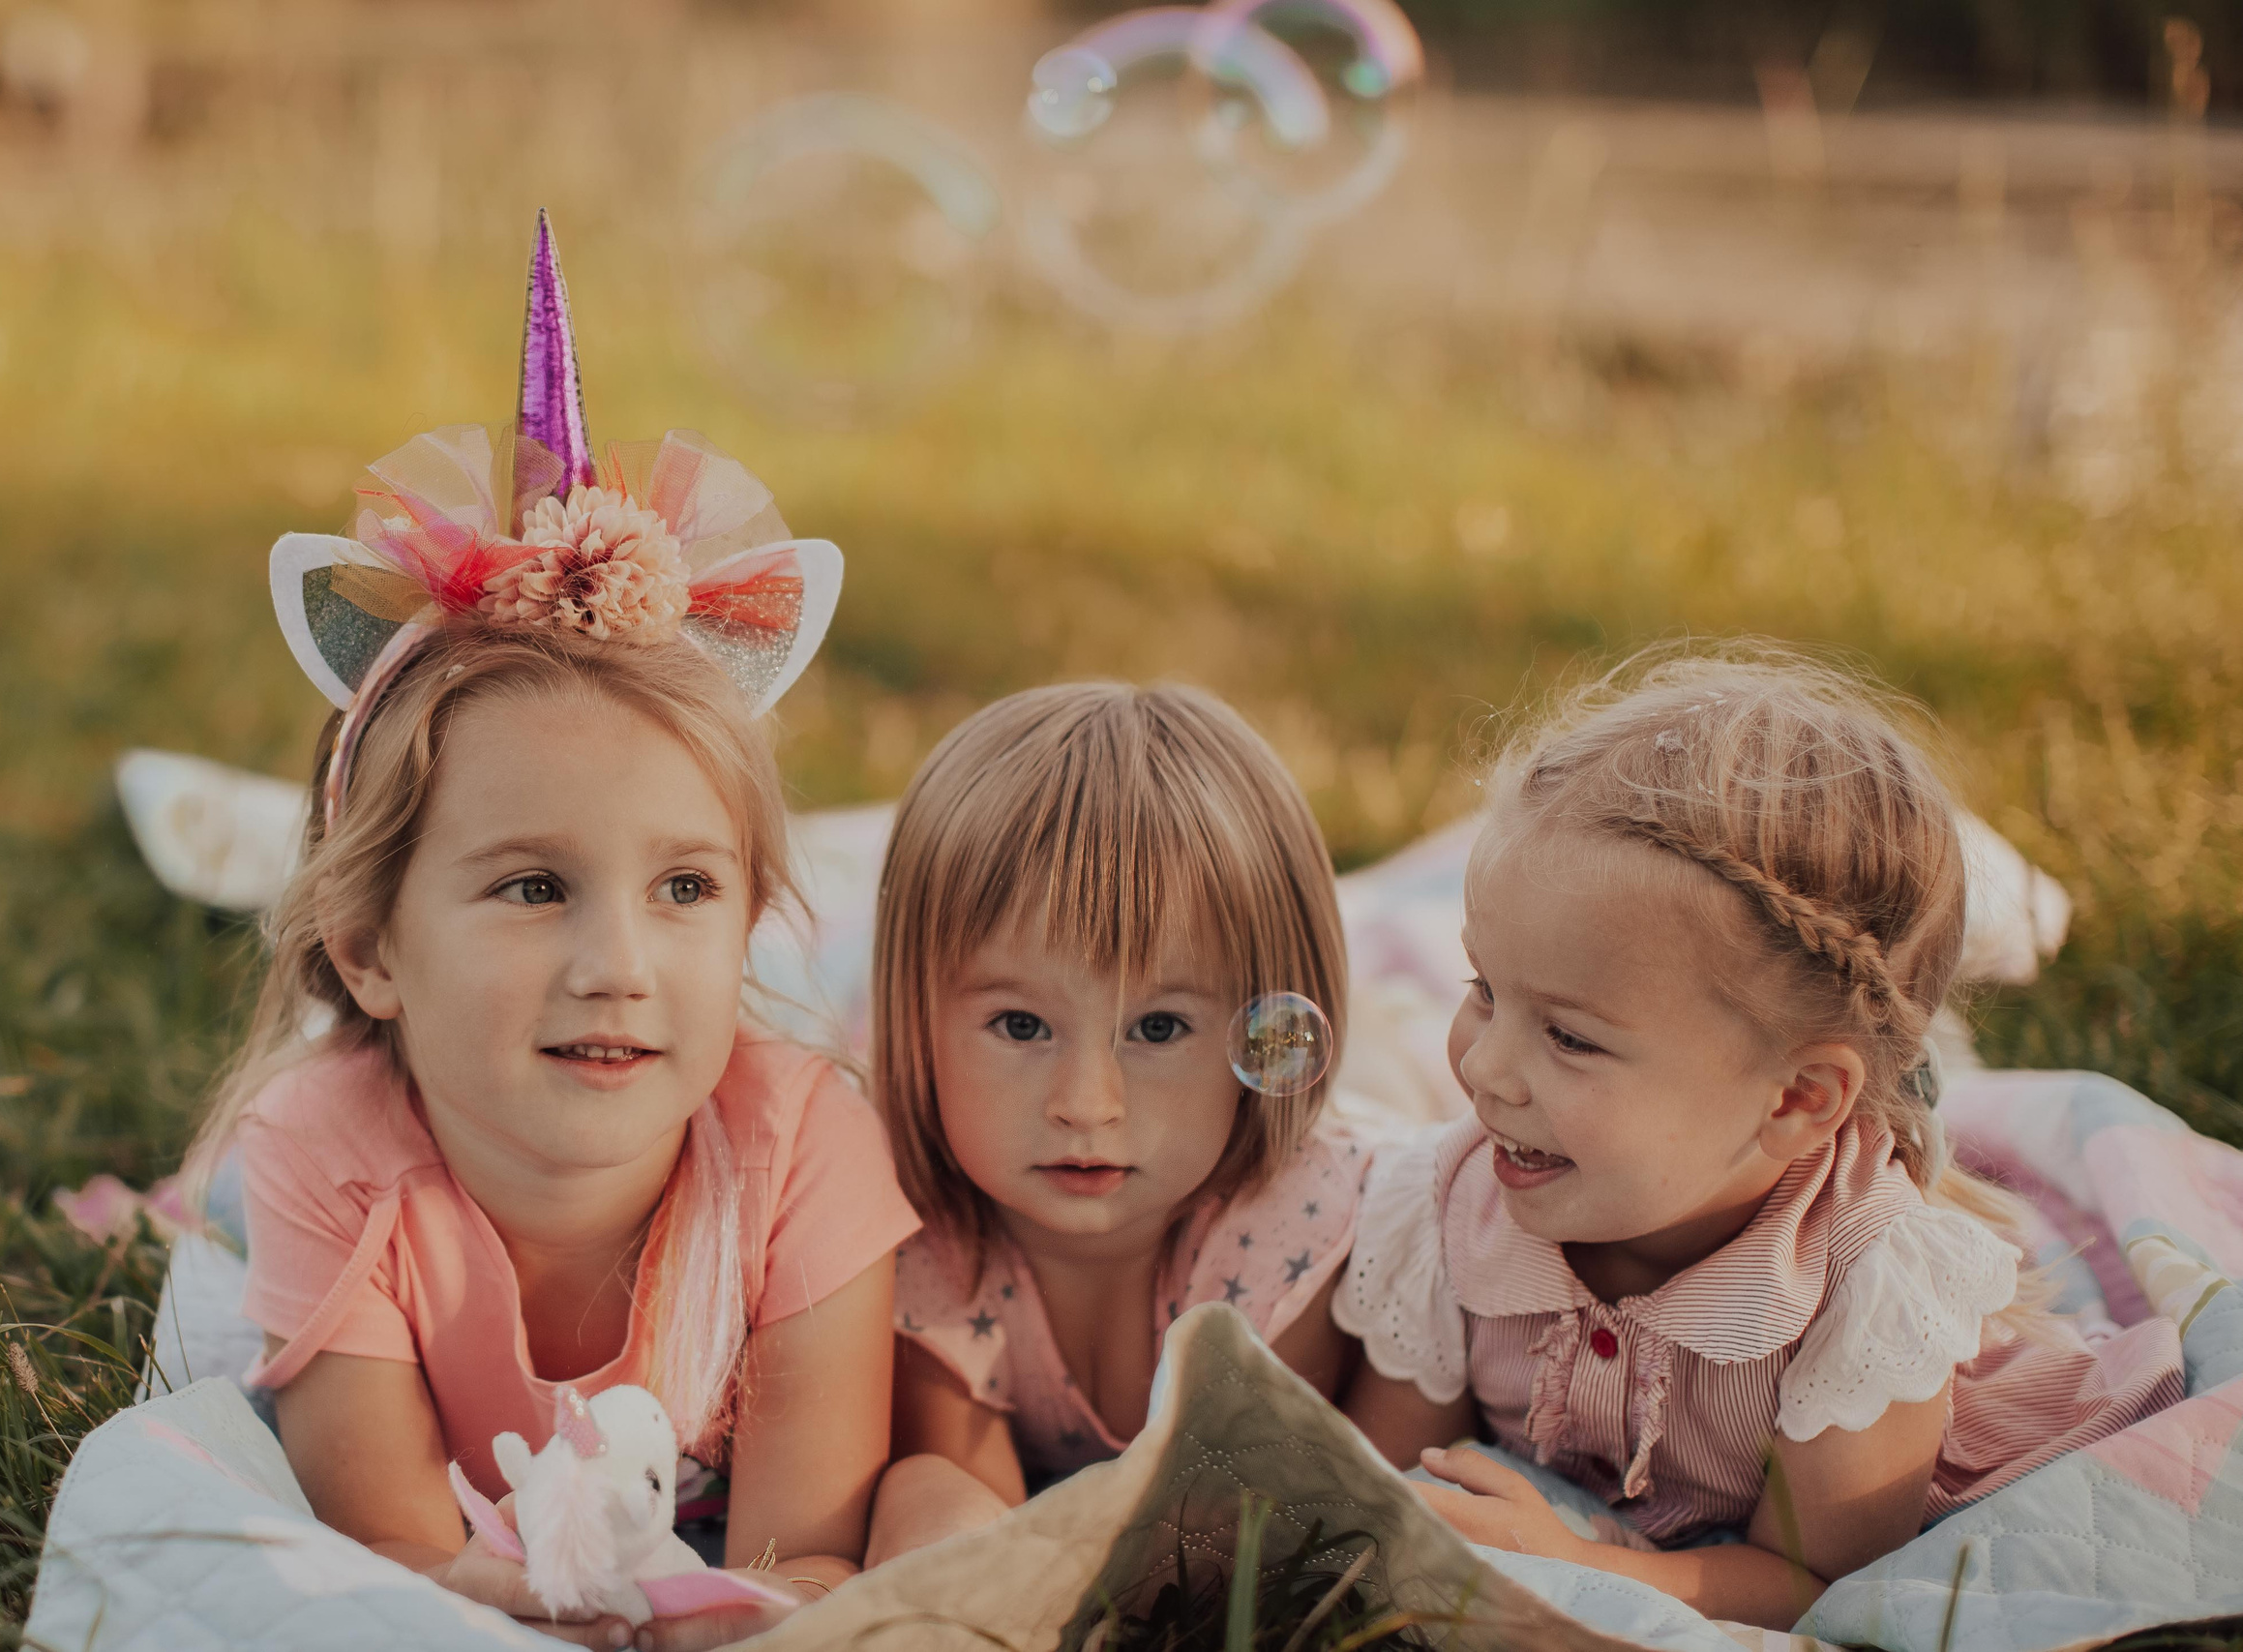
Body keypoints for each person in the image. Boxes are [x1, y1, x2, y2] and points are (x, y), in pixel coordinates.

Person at [183, 217, 917, 1651]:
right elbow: (400, 1560)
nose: (619, 965)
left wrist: (724, 1615)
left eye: (686, 889)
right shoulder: (330, 1158)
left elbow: (809, 1561)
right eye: (534, 886)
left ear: (754, 910)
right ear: (368, 944)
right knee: (229, 1198)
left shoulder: (805, 1151)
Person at [1331, 647, 2185, 1630]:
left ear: (1795, 1100)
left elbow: (1818, 1587)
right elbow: (1387, 1479)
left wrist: (1577, 1566)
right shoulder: (1449, 1210)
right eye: (1484, 990)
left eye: (1567, 1035)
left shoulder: (1859, 1295)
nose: (1482, 1070)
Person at [862, 682, 1379, 1561]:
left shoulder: (1292, 1227)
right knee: (917, 1488)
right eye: (1021, 1026)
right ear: (916, 1021)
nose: (1088, 1104)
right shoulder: (914, 1227)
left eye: (1158, 1027)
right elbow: (970, 1505)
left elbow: (1235, 1531)